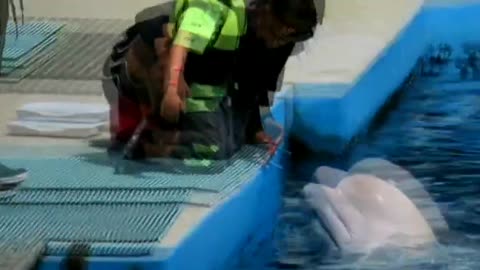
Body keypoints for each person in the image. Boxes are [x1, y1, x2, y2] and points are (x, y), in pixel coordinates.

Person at [103, 0, 247, 161]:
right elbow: (176, 50)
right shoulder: (204, 10)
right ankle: (151, 143)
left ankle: (157, 135)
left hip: (191, 81)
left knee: (228, 140)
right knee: (210, 147)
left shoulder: (228, 8)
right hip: (136, 77)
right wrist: (171, 90)